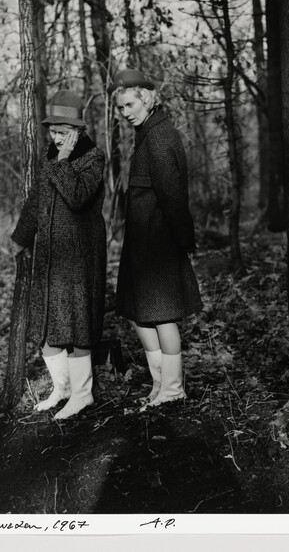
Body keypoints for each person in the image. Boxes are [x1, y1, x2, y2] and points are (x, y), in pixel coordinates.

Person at [11, 90, 107, 420]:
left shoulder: (94, 157)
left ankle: (83, 394)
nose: (57, 137)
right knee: (49, 327)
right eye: (53, 131)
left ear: (78, 130)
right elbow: (37, 201)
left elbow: (78, 197)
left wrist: (64, 162)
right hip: (51, 258)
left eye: (63, 131)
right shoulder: (49, 156)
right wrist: (21, 238)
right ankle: (63, 389)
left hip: (81, 257)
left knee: (79, 325)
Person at [110, 69, 202, 407]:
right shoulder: (147, 133)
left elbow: (173, 196)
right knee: (139, 313)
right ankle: (161, 383)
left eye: (131, 104)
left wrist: (182, 240)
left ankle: (173, 388)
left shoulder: (160, 138)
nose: (126, 112)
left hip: (159, 242)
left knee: (161, 315)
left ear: (148, 98)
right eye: (121, 108)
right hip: (142, 242)